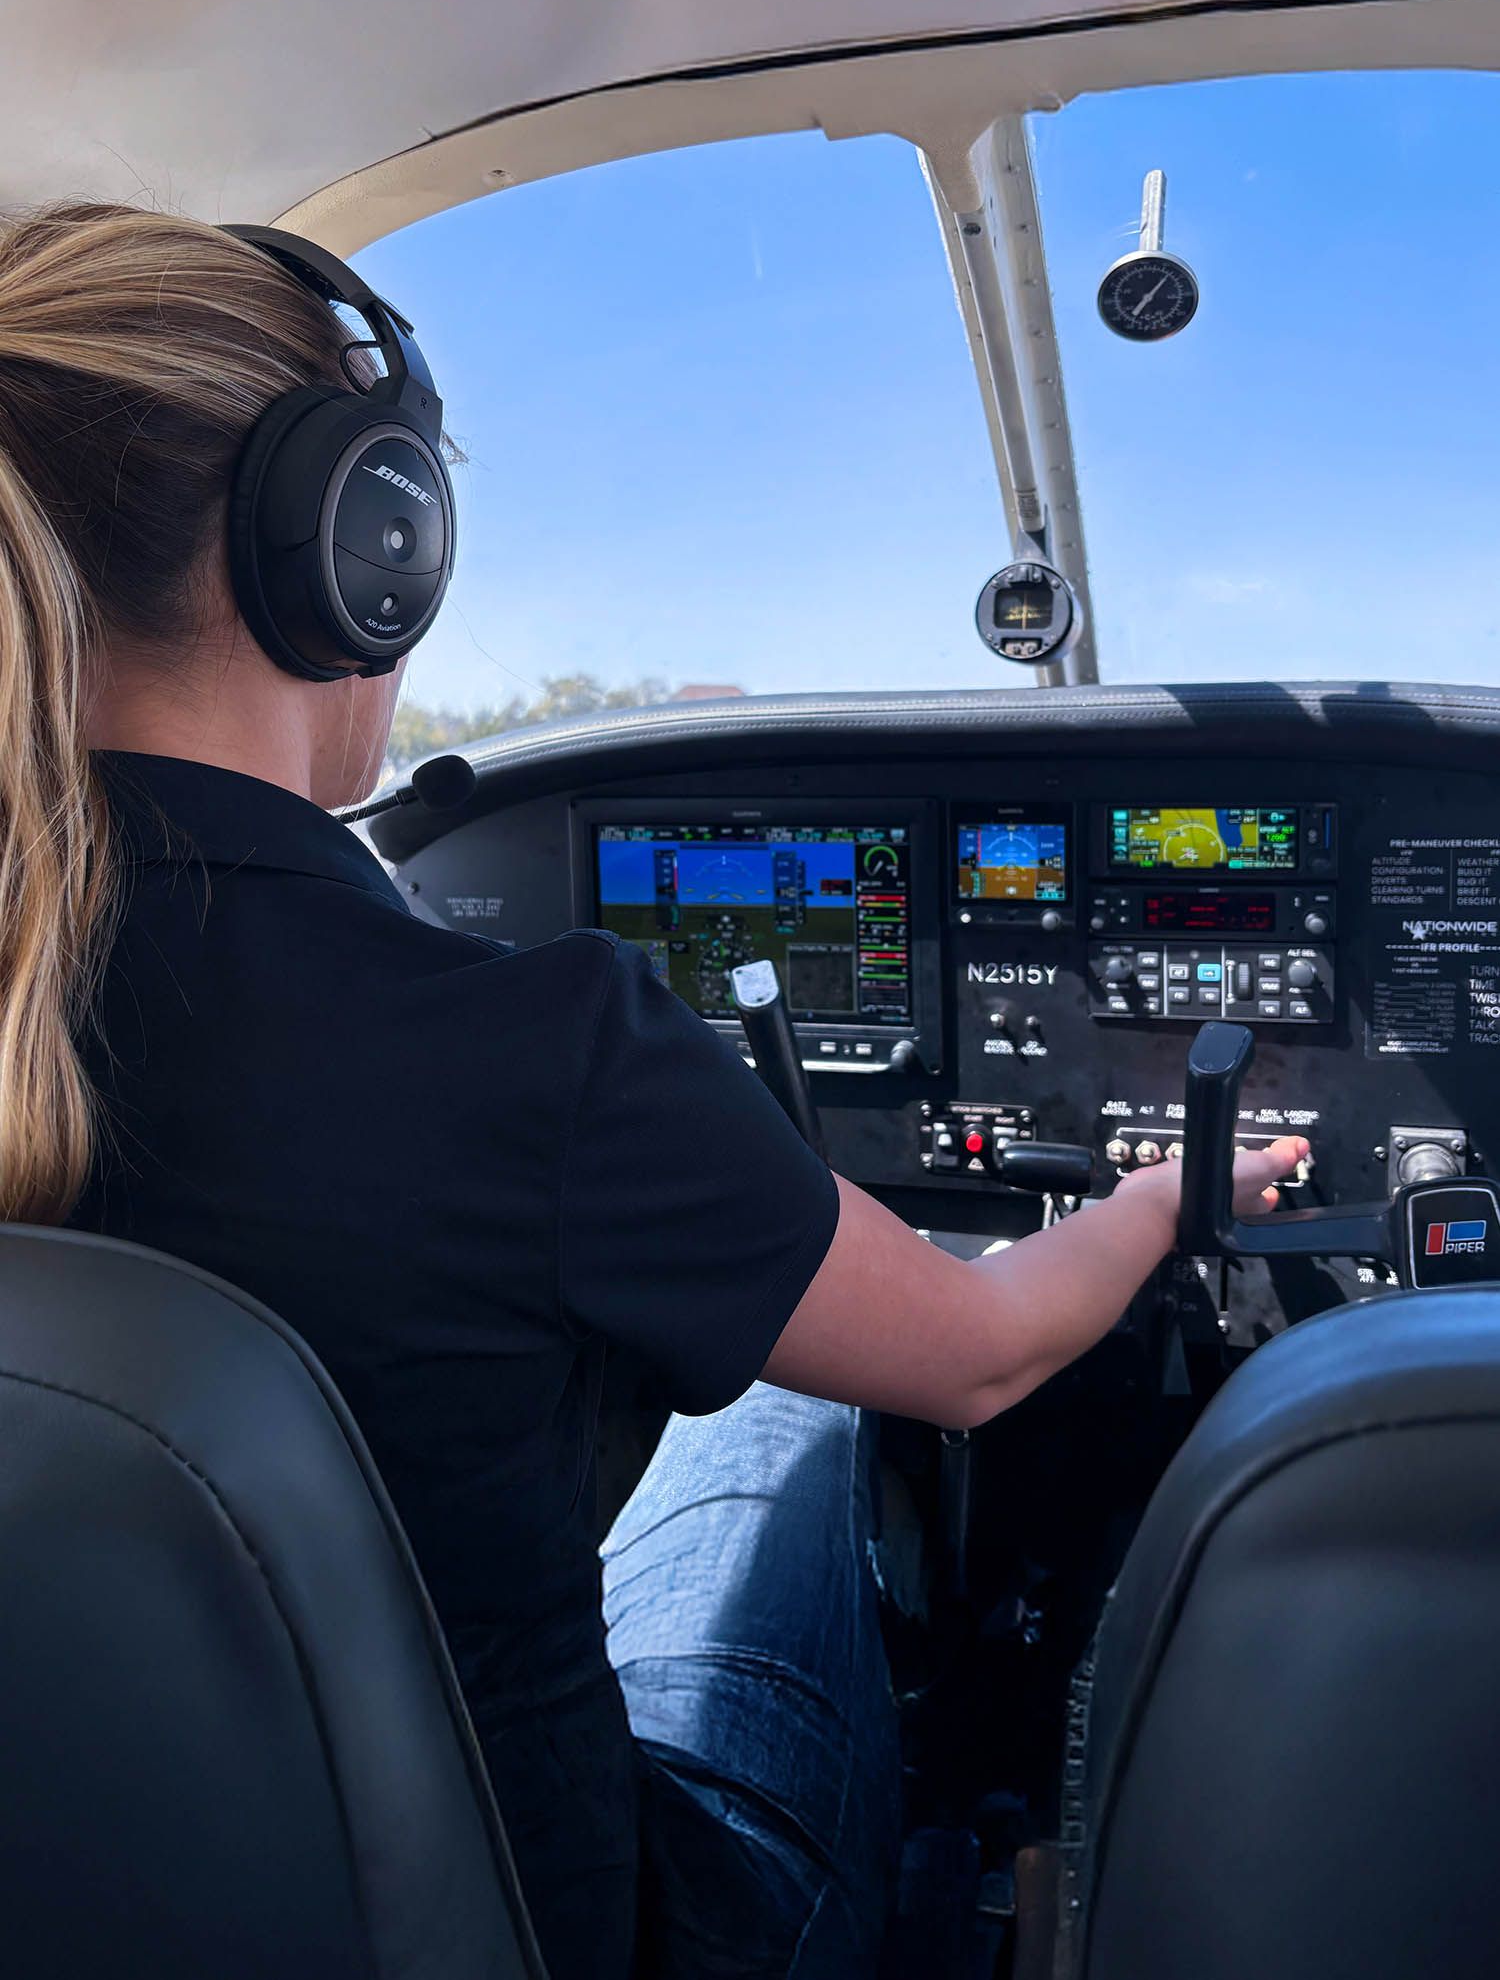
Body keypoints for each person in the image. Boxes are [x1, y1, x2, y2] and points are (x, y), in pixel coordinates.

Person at [0, 202, 1302, 1979]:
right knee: (784, 1411)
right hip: (576, 1929)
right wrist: (1163, 1193)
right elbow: (983, 1353)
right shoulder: (534, 1048)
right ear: (356, 547)